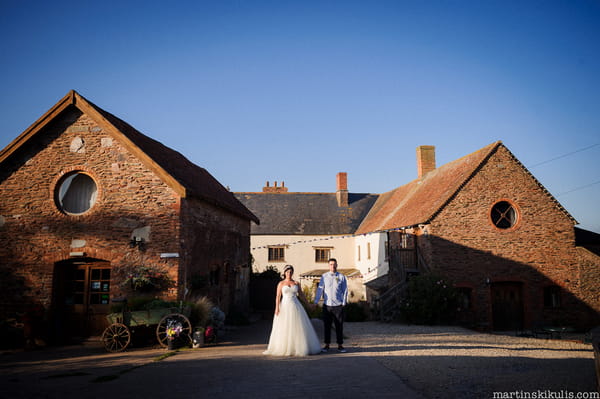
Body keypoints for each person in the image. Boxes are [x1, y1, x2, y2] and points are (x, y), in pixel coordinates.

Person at [263, 265, 321, 356]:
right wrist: (277, 308)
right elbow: (278, 297)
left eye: (290, 272)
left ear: (292, 273)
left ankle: (297, 347)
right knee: (284, 327)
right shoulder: (281, 284)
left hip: (296, 306)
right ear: (284, 273)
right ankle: (284, 347)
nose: (289, 274)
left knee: (297, 327)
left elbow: (301, 296)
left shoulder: (296, 283)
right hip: (285, 306)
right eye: (287, 272)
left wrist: (308, 305)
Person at [314, 258, 348, 353]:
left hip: (338, 305)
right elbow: (320, 289)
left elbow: (345, 290)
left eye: (334, 264)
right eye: (331, 264)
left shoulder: (341, 277)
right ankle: (327, 345)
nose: (333, 266)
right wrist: (316, 301)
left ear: (337, 265)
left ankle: (340, 345)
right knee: (327, 326)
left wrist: (344, 302)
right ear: (328, 265)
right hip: (327, 305)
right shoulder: (324, 276)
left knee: (339, 326)